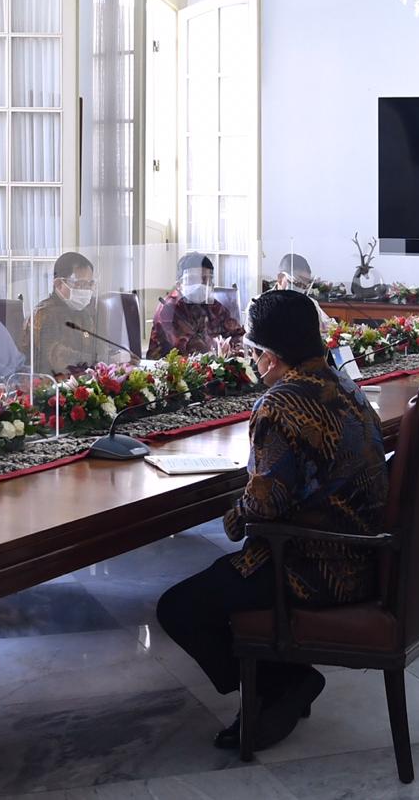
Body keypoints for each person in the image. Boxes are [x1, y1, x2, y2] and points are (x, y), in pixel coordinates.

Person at [156, 290, 389, 751]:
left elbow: (265, 506)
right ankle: (284, 680)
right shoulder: (344, 383)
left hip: (313, 567)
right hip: (368, 554)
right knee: (212, 588)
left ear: (268, 356)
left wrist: (234, 515)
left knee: (180, 608)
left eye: (254, 351)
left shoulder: (281, 403)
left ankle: (274, 685)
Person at [26, 251, 121, 376]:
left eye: (89, 284)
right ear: (59, 284)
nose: (85, 290)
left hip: (81, 380)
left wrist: (116, 357)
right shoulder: (44, 314)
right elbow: (59, 357)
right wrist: (102, 359)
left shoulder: (83, 312)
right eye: (79, 284)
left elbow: (95, 345)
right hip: (49, 386)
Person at [146, 253, 244, 358]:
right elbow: (191, 349)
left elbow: (237, 335)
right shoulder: (169, 309)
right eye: (193, 279)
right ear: (179, 285)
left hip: (209, 368)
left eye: (206, 279)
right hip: (171, 370)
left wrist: (233, 351)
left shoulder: (213, 306)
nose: (201, 284)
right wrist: (221, 350)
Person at [275, 252, 331, 334]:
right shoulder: (259, 304)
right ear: (280, 279)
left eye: (305, 286)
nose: (301, 289)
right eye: (298, 283)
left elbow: (328, 326)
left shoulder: (311, 303)